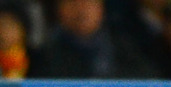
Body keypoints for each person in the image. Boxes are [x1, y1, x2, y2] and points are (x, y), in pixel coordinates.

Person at [29, 0, 160, 79]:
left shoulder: (125, 46)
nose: (81, 9)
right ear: (58, 9)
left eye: (89, 1)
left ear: (101, 6)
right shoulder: (44, 57)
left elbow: (151, 86)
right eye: (72, 2)